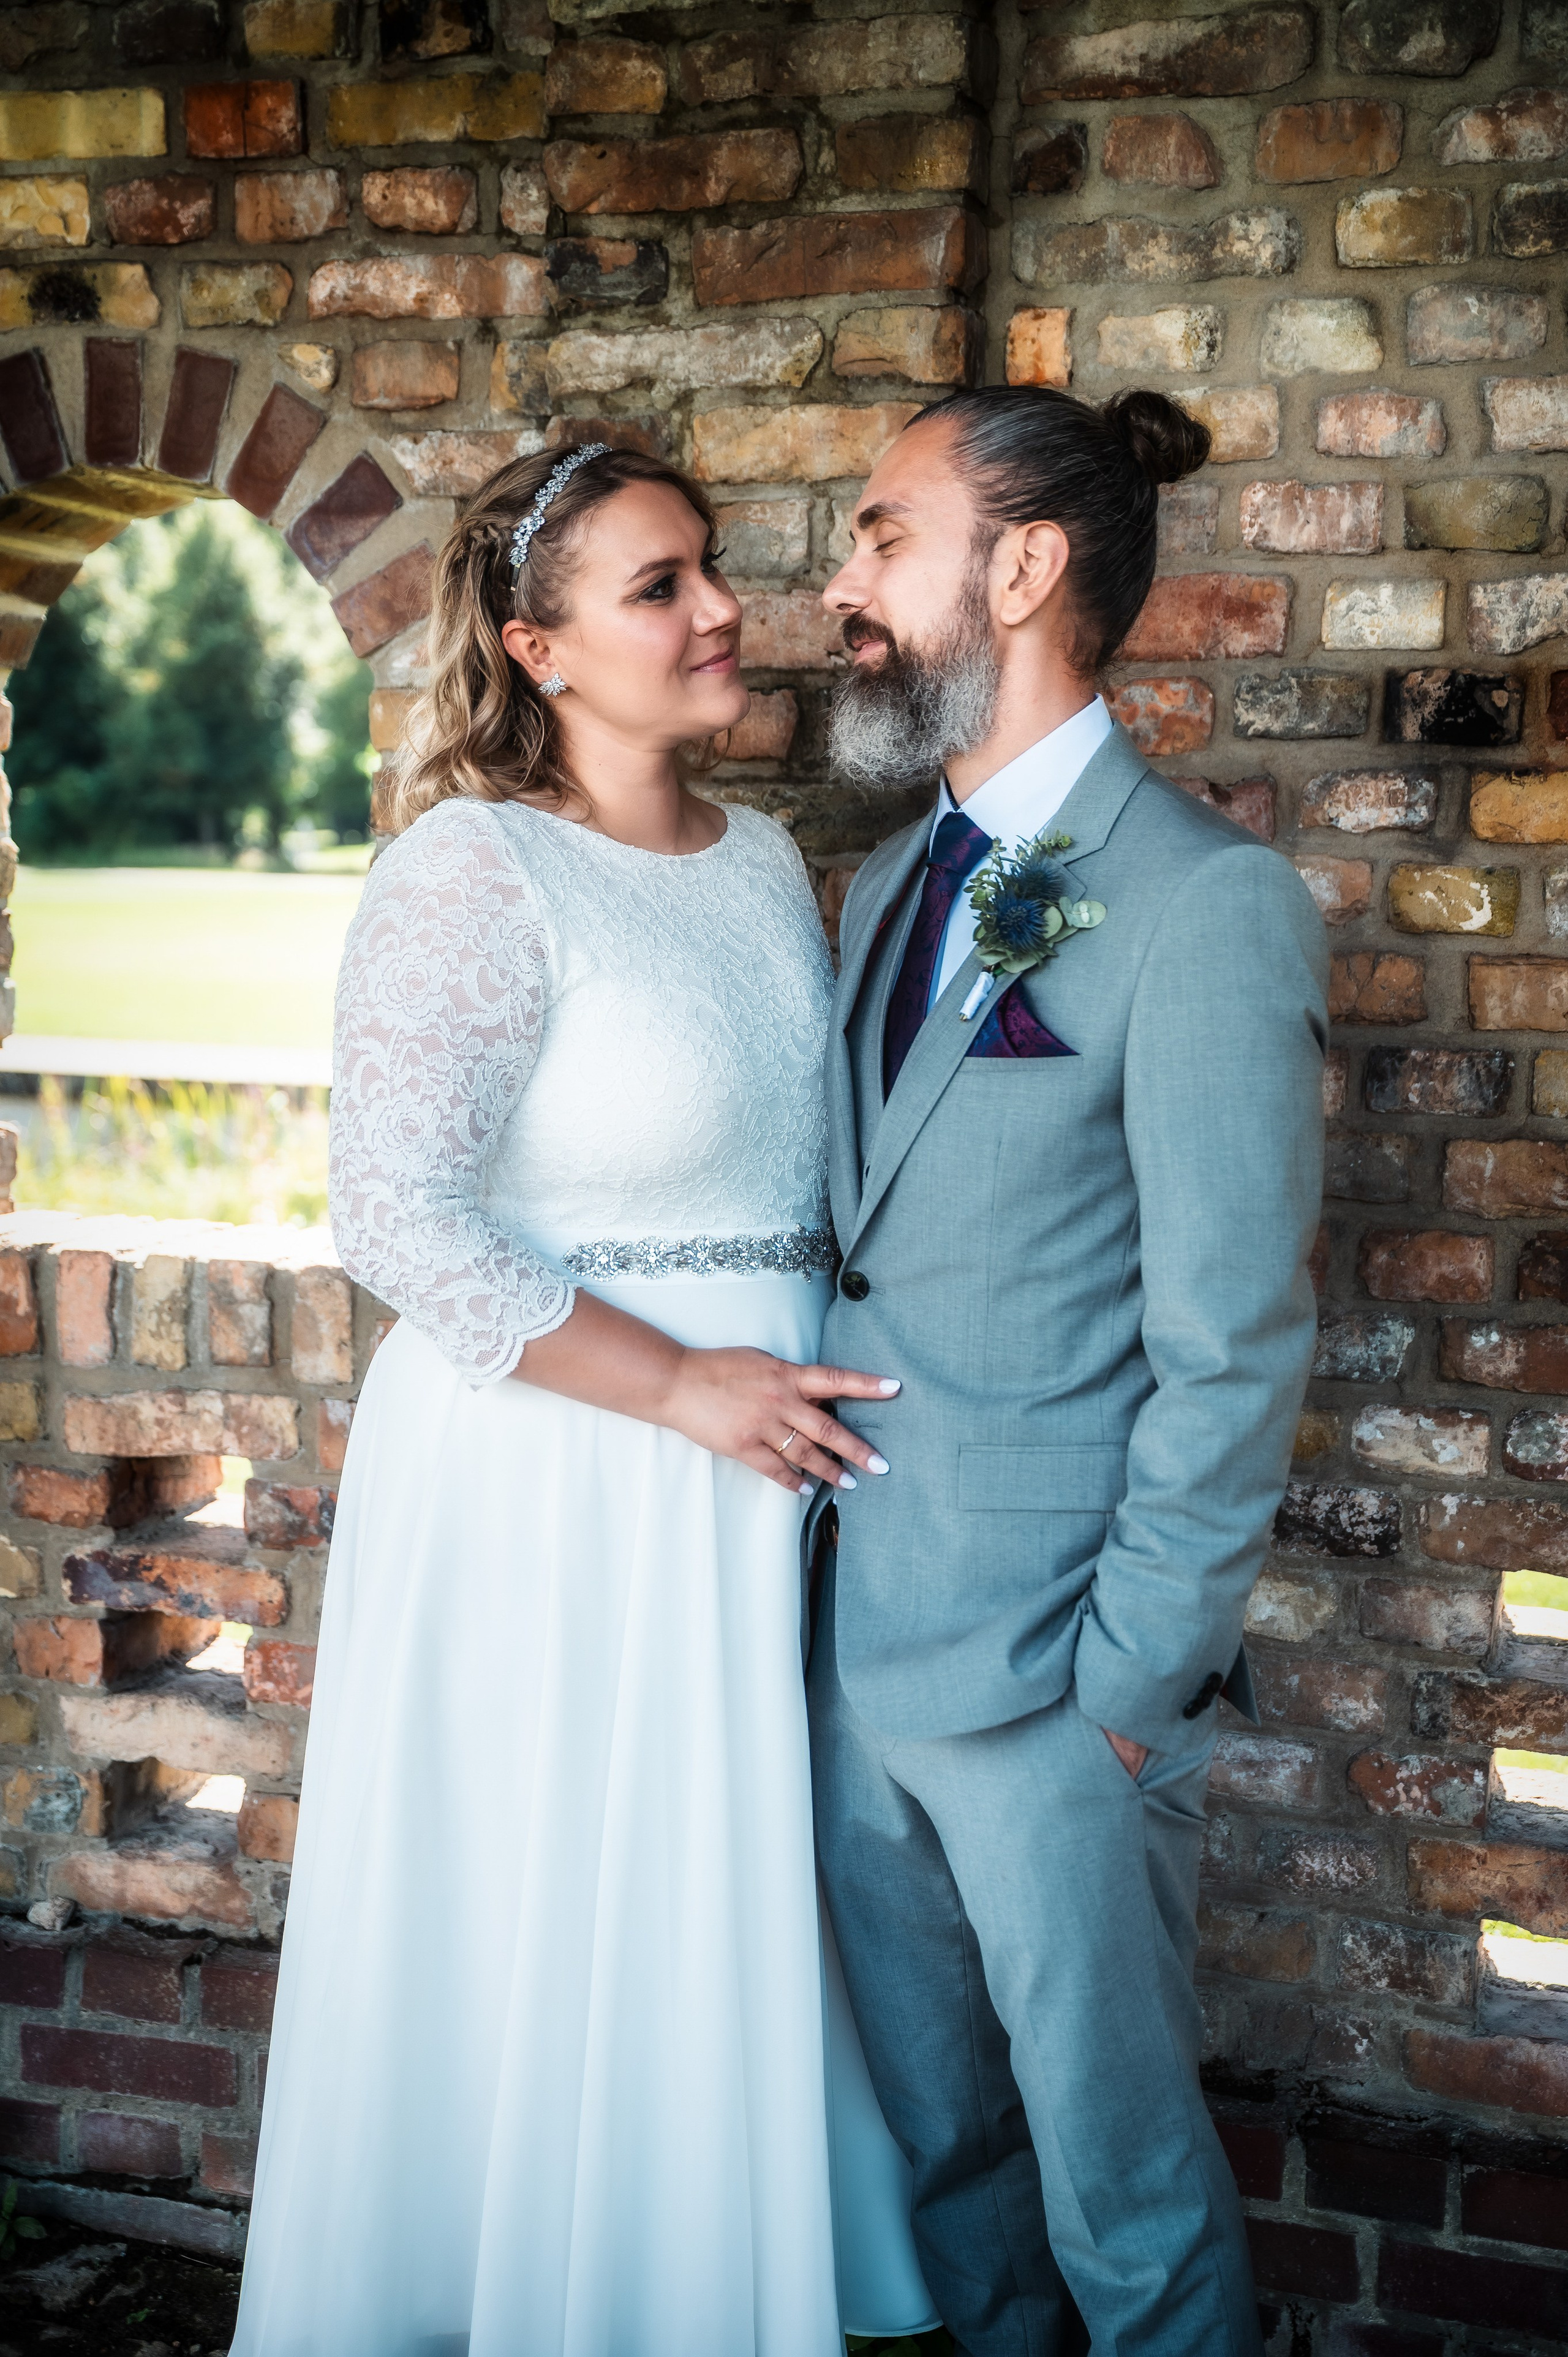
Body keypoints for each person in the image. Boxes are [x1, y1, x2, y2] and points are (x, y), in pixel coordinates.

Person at [229, 443, 938, 2356]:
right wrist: (679, 1385)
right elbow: (391, 1210)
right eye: (656, 587)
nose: (719, 613)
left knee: (726, 1899)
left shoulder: (771, 862)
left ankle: (705, 2268)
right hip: (560, 1467)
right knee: (557, 1892)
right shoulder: (470, 868)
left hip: (757, 1475)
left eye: (709, 569)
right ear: (538, 648)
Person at [807, 385, 1328, 2357]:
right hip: (855, 1651)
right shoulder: (882, 889)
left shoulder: (1204, 906)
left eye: (879, 536)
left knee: (1125, 2202)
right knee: (951, 2166)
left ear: (1017, 569)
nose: (841, 583)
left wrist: (1124, 1692)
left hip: (1053, 1689)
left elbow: (1230, 1344)